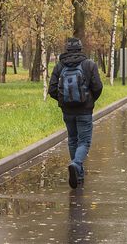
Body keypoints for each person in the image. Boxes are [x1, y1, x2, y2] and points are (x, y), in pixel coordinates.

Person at [48, 37, 103, 189]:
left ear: (67, 49)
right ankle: (76, 164)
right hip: (84, 110)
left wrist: (63, 102)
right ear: (80, 48)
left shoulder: (60, 66)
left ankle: (78, 174)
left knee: (72, 139)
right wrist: (90, 101)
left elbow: (52, 89)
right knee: (84, 141)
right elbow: (97, 86)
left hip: (67, 111)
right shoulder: (89, 64)